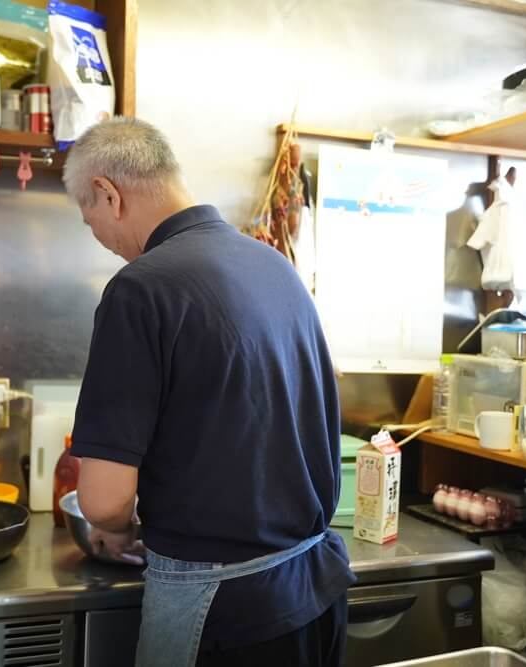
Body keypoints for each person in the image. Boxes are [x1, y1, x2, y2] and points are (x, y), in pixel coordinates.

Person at [62, 117, 355, 667]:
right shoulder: (275, 267)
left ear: (108, 193)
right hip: (314, 594)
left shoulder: (140, 288)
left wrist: (113, 528)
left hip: (224, 610)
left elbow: (103, 501)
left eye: (90, 219)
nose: (100, 238)